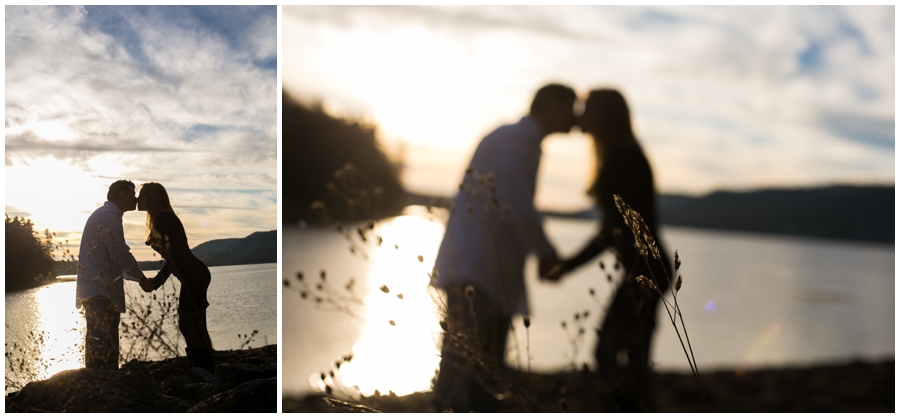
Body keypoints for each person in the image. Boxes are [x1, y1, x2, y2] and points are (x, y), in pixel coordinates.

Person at [431, 83, 577, 412]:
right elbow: (516, 206)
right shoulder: (515, 140)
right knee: (466, 368)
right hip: (476, 270)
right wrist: (546, 253)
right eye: (572, 107)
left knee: (480, 368)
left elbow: (513, 206)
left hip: (481, 269)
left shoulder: (520, 140)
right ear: (552, 105)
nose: (577, 116)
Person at [545, 88, 672, 412]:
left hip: (646, 269)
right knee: (632, 355)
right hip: (648, 268)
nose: (579, 116)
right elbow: (613, 231)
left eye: (586, 109)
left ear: (603, 116)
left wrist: (568, 265)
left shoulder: (623, 157)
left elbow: (611, 232)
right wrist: (568, 264)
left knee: (612, 352)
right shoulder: (621, 153)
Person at [137, 182, 215, 374]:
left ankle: (201, 371)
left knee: (189, 326)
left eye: (142, 195)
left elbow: (174, 258)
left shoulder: (165, 219)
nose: (138, 199)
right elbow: (174, 259)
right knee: (196, 327)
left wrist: (155, 283)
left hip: (193, 276)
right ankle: (207, 371)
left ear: (153, 198)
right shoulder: (161, 218)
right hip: (194, 274)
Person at [76, 180, 149, 370]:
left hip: (100, 290)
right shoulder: (107, 216)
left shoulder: (108, 215)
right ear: (122, 194)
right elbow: (120, 252)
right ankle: (102, 386)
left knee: (102, 342)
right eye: (133, 194)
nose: (136, 199)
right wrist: (141, 278)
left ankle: (101, 384)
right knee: (103, 344)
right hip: (100, 292)